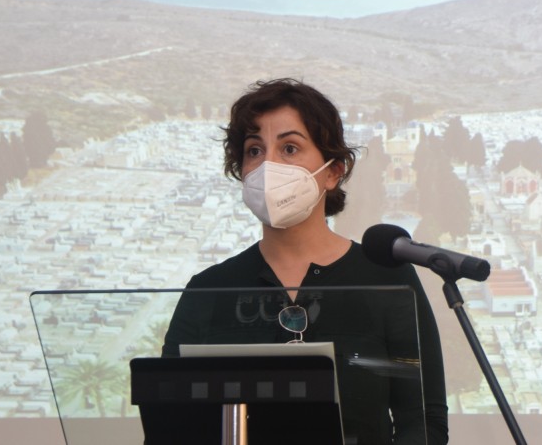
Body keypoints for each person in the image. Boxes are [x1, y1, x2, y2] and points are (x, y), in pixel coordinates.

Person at [163, 78, 449, 445]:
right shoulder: (207, 289)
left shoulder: (387, 279)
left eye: (290, 148)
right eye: (254, 150)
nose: (268, 166)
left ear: (333, 171)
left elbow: (423, 419)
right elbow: (170, 422)